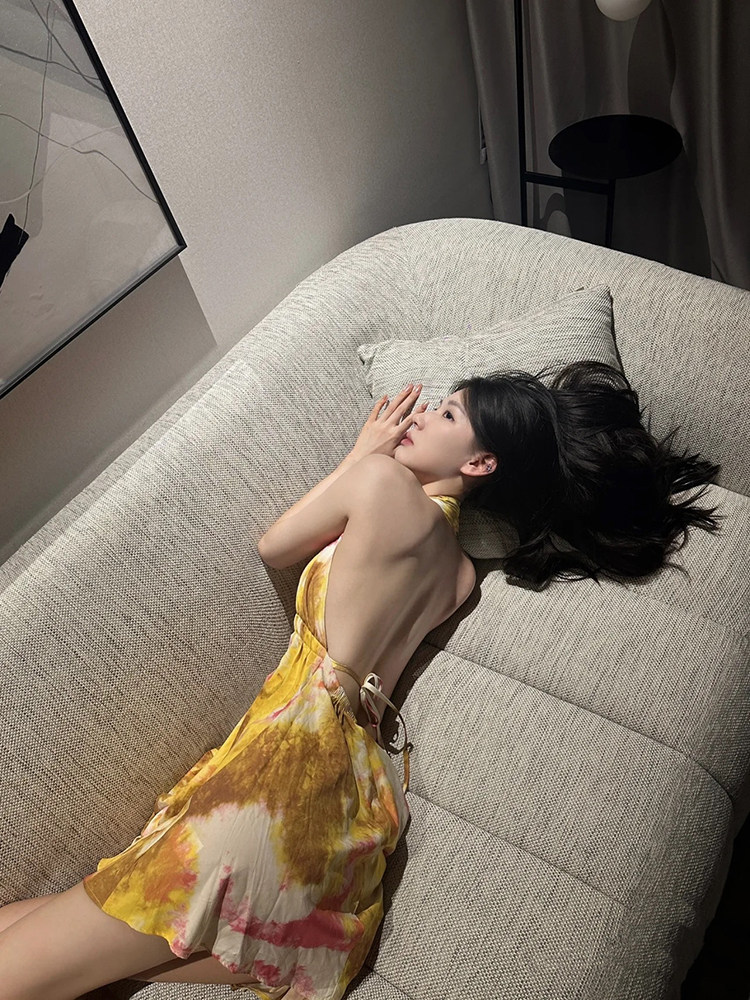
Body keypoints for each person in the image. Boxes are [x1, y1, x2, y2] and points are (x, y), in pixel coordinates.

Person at [0, 360, 721, 1000]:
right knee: (30, 931)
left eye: (447, 414)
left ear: (480, 463)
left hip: (275, 781)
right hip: (346, 804)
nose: (419, 415)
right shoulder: (461, 577)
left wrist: (361, 454)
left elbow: (274, 546)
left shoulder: (379, 481)